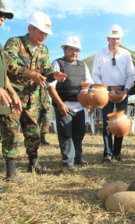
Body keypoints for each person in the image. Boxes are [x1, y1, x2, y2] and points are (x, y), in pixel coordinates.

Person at [1, 11, 67, 181]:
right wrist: (29, 73)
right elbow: (8, 65)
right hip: (12, 97)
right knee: (11, 132)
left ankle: (33, 163)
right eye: (41, 32)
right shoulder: (14, 43)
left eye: (46, 33)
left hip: (33, 99)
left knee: (33, 133)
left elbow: (46, 71)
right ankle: (11, 170)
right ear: (30, 29)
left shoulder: (43, 50)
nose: (44, 36)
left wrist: (54, 75)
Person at [48, 36, 93, 172]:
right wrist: (60, 104)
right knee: (66, 135)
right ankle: (67, 162)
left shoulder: (83, 65)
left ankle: (77, 158)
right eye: (71, 49)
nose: (74, 53)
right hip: (64, 106)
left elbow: (88, 84)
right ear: (64, 49)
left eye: (77, 50)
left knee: (79, 134)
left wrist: (89, 102)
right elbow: (50, 86)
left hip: (79, 106)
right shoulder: (57, 63)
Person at [92, 24, 135, 163]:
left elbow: (131, 75)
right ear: (107, 39)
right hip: (106, 90)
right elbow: (95, 75)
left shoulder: (126, 54)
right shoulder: (99, 54)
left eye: (118, 39)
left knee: (120, 123)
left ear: (120, 39)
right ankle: (108, 154)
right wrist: (104, 91)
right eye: (112, 38)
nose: (115, 41)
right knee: (107, 123)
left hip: (122, 89)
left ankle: (117, 153)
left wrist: (126, 90)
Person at [0, 0, 21, 187]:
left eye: (3, 16)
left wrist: (12, 92)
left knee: (10, 132)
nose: (1, 19)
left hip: (3, 99)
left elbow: (3, 73)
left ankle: (11, 172)